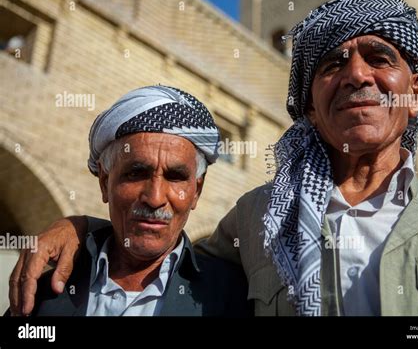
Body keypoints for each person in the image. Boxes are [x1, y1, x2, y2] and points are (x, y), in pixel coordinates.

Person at [9, 0, 418, 316]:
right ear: (309, 107)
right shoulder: (257, 218)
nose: (356, 75)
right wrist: (79, 227)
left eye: (378, 57)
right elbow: (162, 243)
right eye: (332, 64)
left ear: (415, 93)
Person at [6, 85, 251, 316]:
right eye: (136, 173)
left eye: (175, 177)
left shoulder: (230, 298)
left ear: (196, 191)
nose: (155, 199)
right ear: (104, 182)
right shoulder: (43, 295)